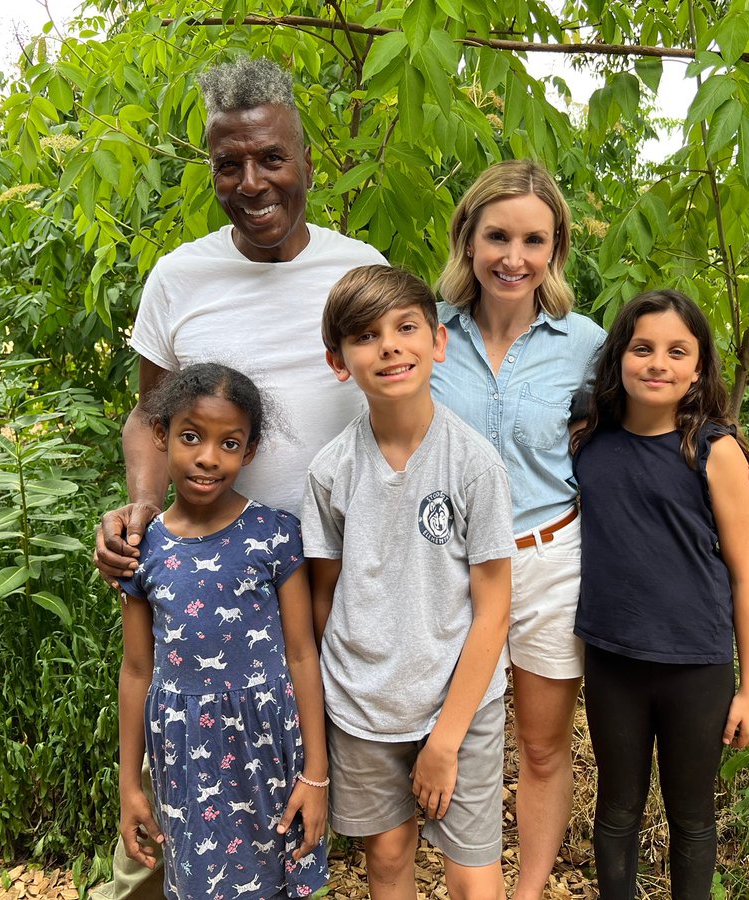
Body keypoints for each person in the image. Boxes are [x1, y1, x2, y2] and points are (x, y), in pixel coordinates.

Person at [431, 161, 749, 899]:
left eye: (534, 240)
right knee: (462, 744)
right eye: (497, 236)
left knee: (542, 748)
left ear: (556, 248)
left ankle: (529, 892)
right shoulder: (427, 334)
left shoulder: (585, 343)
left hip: (549, 561)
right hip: (451, 568)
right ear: (467, 238)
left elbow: (656, 422)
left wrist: (733, 467)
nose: (513, 257)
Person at [93, 56, 384, 900]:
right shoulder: (179, 278)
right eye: (230, 164)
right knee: (182, 831)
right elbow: (147, 417)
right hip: (202, 596)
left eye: (271, 158)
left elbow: (407, 400)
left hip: (332, 590)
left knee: (337, 813)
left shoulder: (356, 272)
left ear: (307, 163)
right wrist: (141, 509)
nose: (252, 182)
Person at [302, 265, 514, 900]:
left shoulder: (474, 465)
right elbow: (324, 595)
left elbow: (493, 610)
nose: (390, 347)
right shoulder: (331, 471)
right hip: (363, 705)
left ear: (438, 342)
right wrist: (348, 679)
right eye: (366, 336)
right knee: (389, 859)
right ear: (338, 361)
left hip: (460, 701)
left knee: (472, 874)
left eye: (406, 328)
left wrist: (445, 740)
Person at [571, 290, 749, 900]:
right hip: (613, 661)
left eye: (677, 351)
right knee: (616, 809)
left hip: (696, 667)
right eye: (643, 348)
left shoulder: (715, 451)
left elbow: (746, 576)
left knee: (692, 815)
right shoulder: (588, 442)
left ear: (699, 368)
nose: (658, 363)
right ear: (618, 358)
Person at [116, 363, 330, 900]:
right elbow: (137, 670)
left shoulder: (275, 536)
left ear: (249, 451)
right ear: (161, 434)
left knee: (280, 875)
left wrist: (316, 774)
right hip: (186, 753)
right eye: (191, 437)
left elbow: (302, 655)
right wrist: (129, 785)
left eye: (229, 443)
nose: (208, 457)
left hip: (269, 746)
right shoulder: (143, 550)